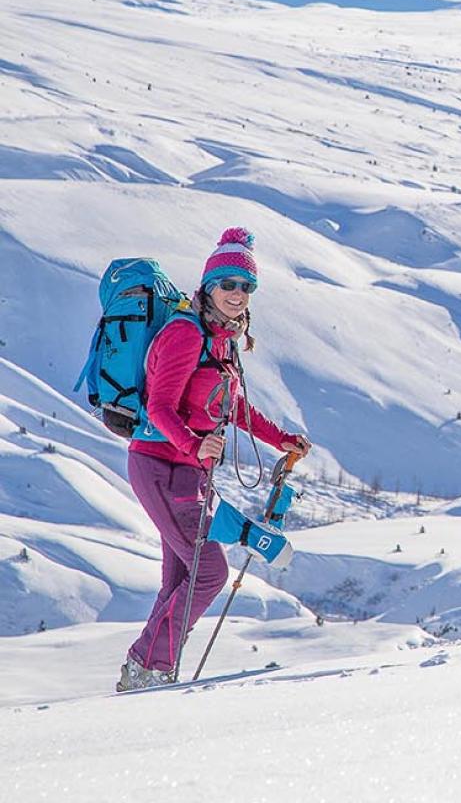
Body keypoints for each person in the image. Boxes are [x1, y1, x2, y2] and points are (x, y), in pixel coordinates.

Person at [118, 228, 311, 691]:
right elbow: (160, 407)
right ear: (208, 286)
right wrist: (192, 445)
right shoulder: (187, 334)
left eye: (246, 287)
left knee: (183, 575)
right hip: (162, 466)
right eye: (228, 284)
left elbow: (234, 408)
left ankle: (143, 672)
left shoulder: (220, 340)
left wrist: (280, 439)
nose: (237, 294)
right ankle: (149, 664)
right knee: (209, 572)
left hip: (188, 471)